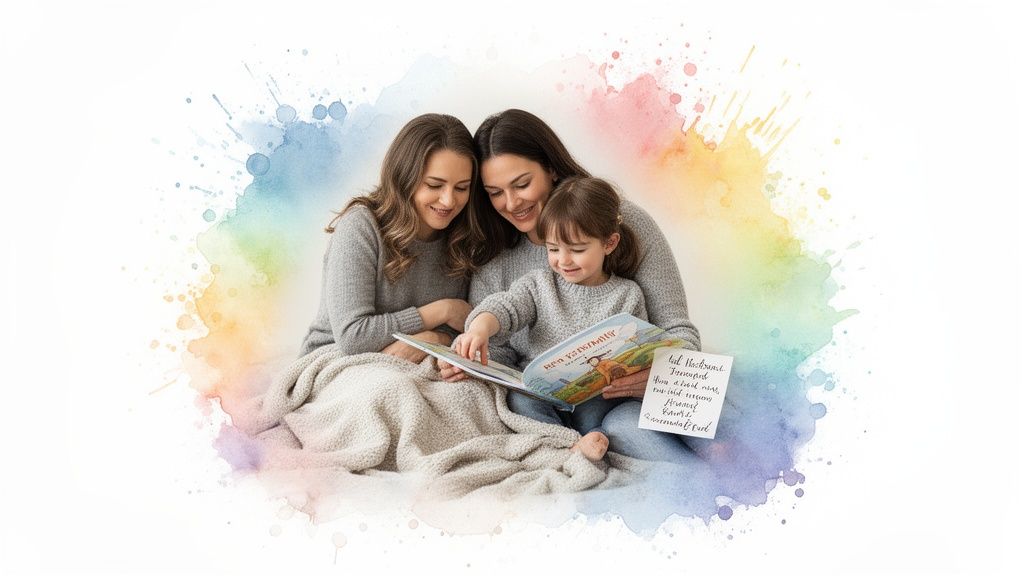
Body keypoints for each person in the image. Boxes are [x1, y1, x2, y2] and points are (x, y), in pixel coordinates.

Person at [440, 109, 704, 465]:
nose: (512, 203)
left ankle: (707, 476)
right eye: (494, 193)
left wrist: (658, 374)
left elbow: (673, 329)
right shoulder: (498, 258)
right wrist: (472, 358)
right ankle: (568, 448)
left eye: (521, 184)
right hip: (547, 399)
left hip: (619, 397)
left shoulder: (618, 225)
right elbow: (500, 328)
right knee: (514, 404)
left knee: (633, 426)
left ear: (550, 168)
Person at [454, 177, 646, 461]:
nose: (564, 260)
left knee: (605, 407)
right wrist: (481, 327)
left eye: (577, 250)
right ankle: (567, 444)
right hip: (543, 393)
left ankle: (591, 440)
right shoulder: (538, 284)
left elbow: (640, 351)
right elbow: (505, 307)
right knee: (519, 400)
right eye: (553, 249)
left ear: (609, 243)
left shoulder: (628, 294)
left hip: (596, 397)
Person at [299, 113, 487, 362]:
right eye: (434, 185)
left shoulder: (463, 235)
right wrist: (443, 310)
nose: (449, 200)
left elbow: (462, 329)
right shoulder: (361, 226)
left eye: (461, 188)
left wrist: (433, 340)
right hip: (335, 357)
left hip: (424, 357)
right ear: (404, 178)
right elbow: (352, 336)